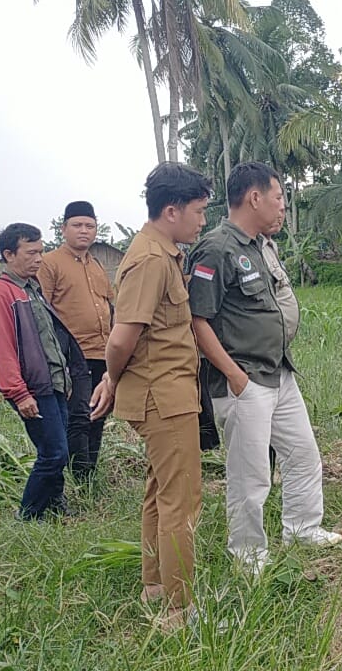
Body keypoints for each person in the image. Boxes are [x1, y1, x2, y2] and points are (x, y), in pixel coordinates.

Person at [188, 162, 341, 573]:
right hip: (244, 380)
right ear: (254, 198)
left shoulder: (257, 245)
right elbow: (198, 320)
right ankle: (248, 556)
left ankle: (303, 528)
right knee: (250, 475)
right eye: (278, 200)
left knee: (303, 453)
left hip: (278, 373)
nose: (282, 210)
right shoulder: (217, 249)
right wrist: (234, 376)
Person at [90, 162, 210, 631]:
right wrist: (111, 380)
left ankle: (156, 586)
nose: (202, 221)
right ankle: (180, 611)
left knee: (160, 495)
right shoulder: (152, 259)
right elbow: (122, 337)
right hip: (165, 395)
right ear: (171, 210)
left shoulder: (162, 252)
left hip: (166, 390)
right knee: (181, 500)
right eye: (198, 212)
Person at [0, 223, 84, 520]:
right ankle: (28, 514)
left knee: (56, 450)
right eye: (31, 252)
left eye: (41, 251)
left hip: (53, 382)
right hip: (32, 388)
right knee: (53, 453)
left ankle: (54, 505)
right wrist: (19, 393)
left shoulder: (32, 289)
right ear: (9, 254)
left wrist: (64, 375)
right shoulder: (0, 295)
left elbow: (49, 339)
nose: (39, 258)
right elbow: (3, 349)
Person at [38, 201, 113, 483]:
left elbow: (109, 305)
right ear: (63, 229)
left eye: (89, 226)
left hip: (102, 352)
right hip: (71, 354)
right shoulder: (50, 263)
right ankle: (80, 479)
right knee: (79, 415)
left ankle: (90, 474)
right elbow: (42, 310)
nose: (84, 231)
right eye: (77, 225)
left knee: (99, 413)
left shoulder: (96, 265)